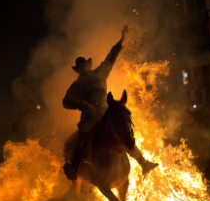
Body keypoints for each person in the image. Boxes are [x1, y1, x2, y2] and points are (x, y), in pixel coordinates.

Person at [63, 25, 158, 180]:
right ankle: (74, 167)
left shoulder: (100, 72)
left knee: (124, 132)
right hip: (89, 119)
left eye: (85, 65)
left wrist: (122, 40)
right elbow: (66, 102)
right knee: (83, 138)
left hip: (106, 115)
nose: (84, 68)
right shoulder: (77, 85)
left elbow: (111, 57)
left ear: (88, 65)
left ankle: (143, 162)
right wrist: (82, 105)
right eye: (81, 67)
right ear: (79, 70)